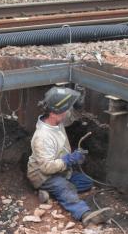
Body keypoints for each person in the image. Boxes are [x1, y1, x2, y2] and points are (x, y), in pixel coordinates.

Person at [27, 86, 111, 226]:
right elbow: (47, 168)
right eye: (65, 110)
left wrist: (78, 107)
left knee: (86, 182)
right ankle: (86, 215)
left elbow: (71, 118)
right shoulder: (42, 137)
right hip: (43, 175)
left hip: (60, 171)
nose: (67, 112)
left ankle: (49, 194)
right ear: (54, 113)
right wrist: (69, 159)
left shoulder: (55, 121)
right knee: (66, 188)